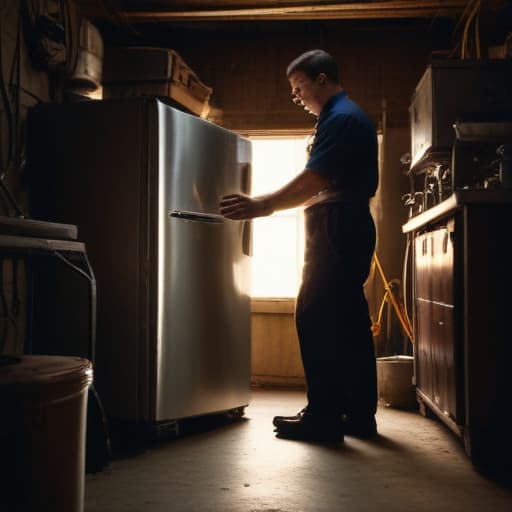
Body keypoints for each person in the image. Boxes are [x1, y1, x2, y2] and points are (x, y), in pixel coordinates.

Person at [219, 49, 379, 443]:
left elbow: (314, 179)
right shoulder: (343, 117)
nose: (296, 96)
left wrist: (263, 204)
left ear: (322, 79)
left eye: (299, 86)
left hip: (337, 225)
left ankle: (324, 416)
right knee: (348, 321)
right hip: (347, 223)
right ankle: (358, 414)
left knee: (315, 315)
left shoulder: (340, 119)